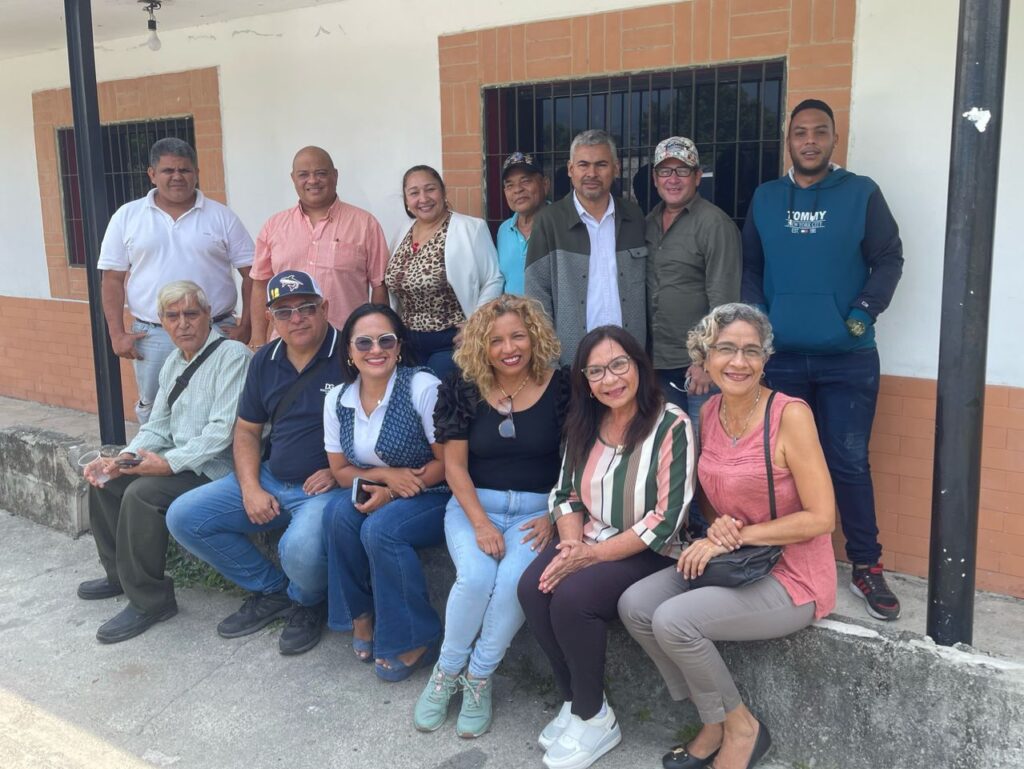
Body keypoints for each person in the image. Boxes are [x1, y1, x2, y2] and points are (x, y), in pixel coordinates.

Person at [619, 303, 837, 769]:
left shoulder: (789, 415)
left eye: (751, 351)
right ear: (704, 356)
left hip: (790, 574)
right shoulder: (711, 409)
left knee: (674, 621)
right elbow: (717, 495)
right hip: (735, 560)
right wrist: (719, 523)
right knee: (636, 606)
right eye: (726, 349)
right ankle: (713, 718)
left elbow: (821, 518)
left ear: (765, 359)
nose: (739, 362)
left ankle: (742, 728)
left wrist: (735, 536)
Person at [741, 98, 904, 621]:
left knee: (849, 461)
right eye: (800, 133)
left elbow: (888, 258)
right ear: (788, 142)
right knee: (780, 467)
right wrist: (759, 324)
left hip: (847, 360)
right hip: (782, 360)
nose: (809, 140)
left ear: (834, 139)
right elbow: (750, 268)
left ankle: (866, 565)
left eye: (820, 132)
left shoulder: (861, 193)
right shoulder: (767, 198)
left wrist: (865, 309)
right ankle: (785, 557)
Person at [517, 325, 693, 769]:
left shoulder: (672, 424)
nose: (610, 379)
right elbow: (565, 494)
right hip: (588, 537)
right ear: (585, 382)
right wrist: (572, 544)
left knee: (572, 600)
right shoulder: (585, 423)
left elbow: (666, 518)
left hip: (649, 550)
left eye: (619, 365)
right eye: (596, 371)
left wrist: (589, 557)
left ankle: (595, 720)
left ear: (638, 365)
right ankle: (577, 699)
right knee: (532, 588)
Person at [167, 270, 345, 656]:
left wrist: (339, 470)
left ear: (324, 308)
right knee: (184, 516)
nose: (296, 318)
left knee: (300, 549)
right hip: (272, 476)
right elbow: (247, 431)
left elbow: (377, 425)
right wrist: (250, 487)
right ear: (270, 318)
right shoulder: (265, 359)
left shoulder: (350, 354)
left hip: (326, 489)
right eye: (284, 312)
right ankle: (274, 590)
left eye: (306, 308)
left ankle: (306, 602)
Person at [414, 295, 569, 738]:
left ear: (534, 336)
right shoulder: (462, 387)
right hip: (473, 506)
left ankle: (479, 678)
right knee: (476, 578)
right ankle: (445, 674)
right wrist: (481, 523)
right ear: (482, 345)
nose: (508, 348)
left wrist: (557, 515)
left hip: (536, 514)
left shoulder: (562, 387)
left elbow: (575, 460)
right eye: (496, 339)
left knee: (515, 586)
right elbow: (455, 467)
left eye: (518, 335)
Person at [78, 281, 251, 643]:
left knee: (143, 493)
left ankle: (151, 601)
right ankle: (118, 576)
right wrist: (124, 458)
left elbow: (222, 432)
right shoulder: (173, 361)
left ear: (208, 316)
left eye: (191, 313)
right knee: (107, 483)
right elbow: (157, 424)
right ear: (161, 321)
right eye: (173, 316)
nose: (183, 323)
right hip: (177, 462)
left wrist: (168, 464)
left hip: (214, 469)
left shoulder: (233, 355)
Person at [320, 304, 450, 682]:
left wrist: (393, 492)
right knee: (337, 515)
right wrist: (385, 477)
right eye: (363, 342)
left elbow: (448, 462)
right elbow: (340, 471)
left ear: (398, 347)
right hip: (382, 485)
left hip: (435, 491)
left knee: (381, 530)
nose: (374, 350)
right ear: (349, 350)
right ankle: (361, 616)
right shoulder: (338, 400)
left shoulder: (422, 387)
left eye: (385, 341)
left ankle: (417, 637)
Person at [98, 137, 254, 424]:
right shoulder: (127, 216)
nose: (177, 177)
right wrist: (116, 333)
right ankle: (156, 467)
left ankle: (219, 468)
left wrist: (246, 325)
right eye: (168, 170)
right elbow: (112, 279)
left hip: (216, 330)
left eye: (185, 170)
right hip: (154, 335)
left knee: (223, 407)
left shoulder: (221, 216)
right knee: (158, 410)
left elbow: (252, 274)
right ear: (152, 174)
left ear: (195, 173)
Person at [524, 129, 647, 366]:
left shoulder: (634, 216)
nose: (592, 173)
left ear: (616, 168)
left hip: (630, 356)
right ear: (571, 170)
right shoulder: (550, 220)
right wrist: (550, 361)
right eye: (583, 165)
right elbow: (536, 296)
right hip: (573, 360)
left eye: (601, 164)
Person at [248, 146, 390, 348]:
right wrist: (258, 338)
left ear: (335, 175)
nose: (313, 180)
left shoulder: (365, 224)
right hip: (286, 345)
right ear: (293, 179)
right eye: (303, 175)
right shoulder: (274, 226)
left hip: (346, 344)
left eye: (321, 173)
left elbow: (379, 286)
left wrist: (376, 337)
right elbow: (261, 283)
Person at [646, 136, 740, 430]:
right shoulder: (647, 222)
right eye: (665, 171)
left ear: (698, 177)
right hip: (654, 364)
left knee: (700, 453)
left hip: (695, 370)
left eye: (682, 171)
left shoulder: (715, 224)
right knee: (668, 454)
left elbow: (724, 303)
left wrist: (706, 362)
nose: (673, 179)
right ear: (654, 178)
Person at [386, 165, 504, 379]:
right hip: (407, 343)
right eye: (414, 193)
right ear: (406, 200)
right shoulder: (402, 232)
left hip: (450, 341)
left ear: (443, 191)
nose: (423, 198)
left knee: (436, 401)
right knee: (411, 404)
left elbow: (493, 279)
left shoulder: (470, 228)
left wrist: (475, 324)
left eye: (430, 189)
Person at [497, 152, 550, 294]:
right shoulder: (503, 230)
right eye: (509, 185)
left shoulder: (560, 224)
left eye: (525, 181)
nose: (517, 189)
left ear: (545, 184)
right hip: (513, 315)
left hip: (549, 316)